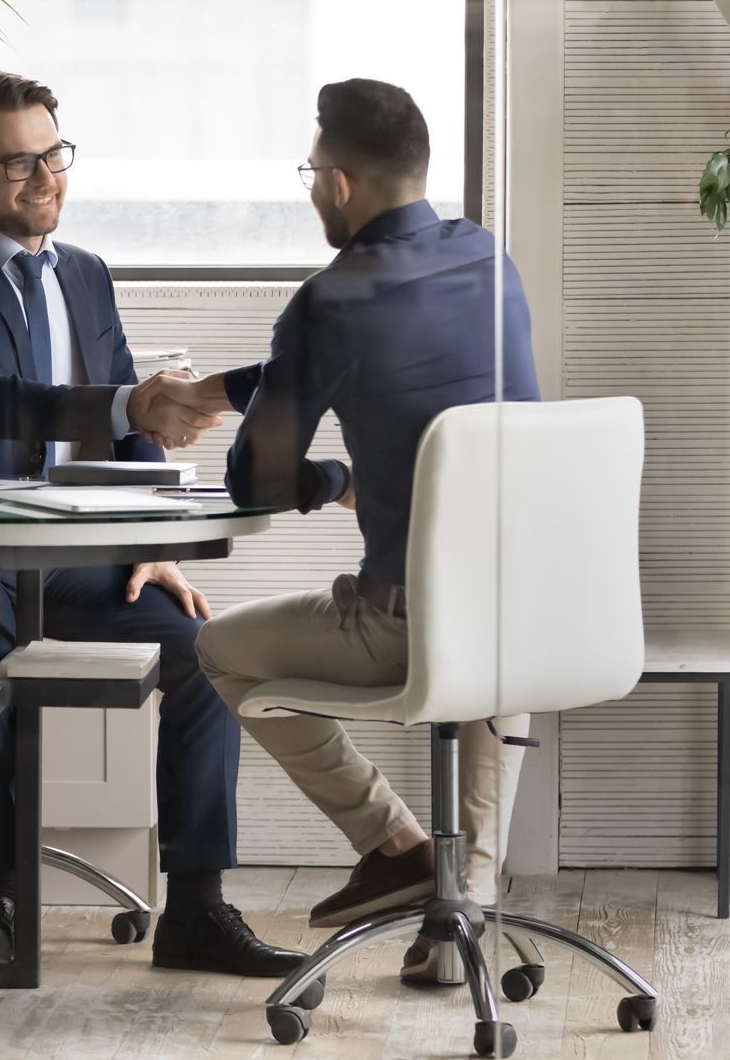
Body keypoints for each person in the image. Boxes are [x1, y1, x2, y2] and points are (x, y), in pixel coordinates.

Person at [0, 70, 305, 979]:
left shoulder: (88, 277)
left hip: (68, 563)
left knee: (206, 652)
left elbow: (129, 429)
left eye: (54, 154)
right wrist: (134, 403)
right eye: (17, 162)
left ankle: (197, 911)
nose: (44, 179)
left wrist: (155, 543)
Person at [179, 78, 541, 984]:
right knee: (496, 637)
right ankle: (466, 919)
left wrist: (336, 477)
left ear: (339, 183)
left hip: (409, 626)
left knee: (219, 647)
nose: (310, 189)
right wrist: (224, 390)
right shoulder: (489, 260)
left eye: (310, 172)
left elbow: (254, 477)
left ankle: (395, 846)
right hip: (540, 617)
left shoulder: (331, 298)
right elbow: (382, 366)